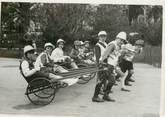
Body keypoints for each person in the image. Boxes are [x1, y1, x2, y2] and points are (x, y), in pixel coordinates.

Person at [92, 31, 116, 102]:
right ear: (99, 37)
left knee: (112, 80)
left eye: (104, 36)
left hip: (108, 64)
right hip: (101, 64)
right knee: (100, 81)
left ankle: (106, 95)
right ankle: (95, 97)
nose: (103, 38)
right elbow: (97, 57)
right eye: (101, 36)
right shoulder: (97, 45)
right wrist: (100, 65)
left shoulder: (106, 44)